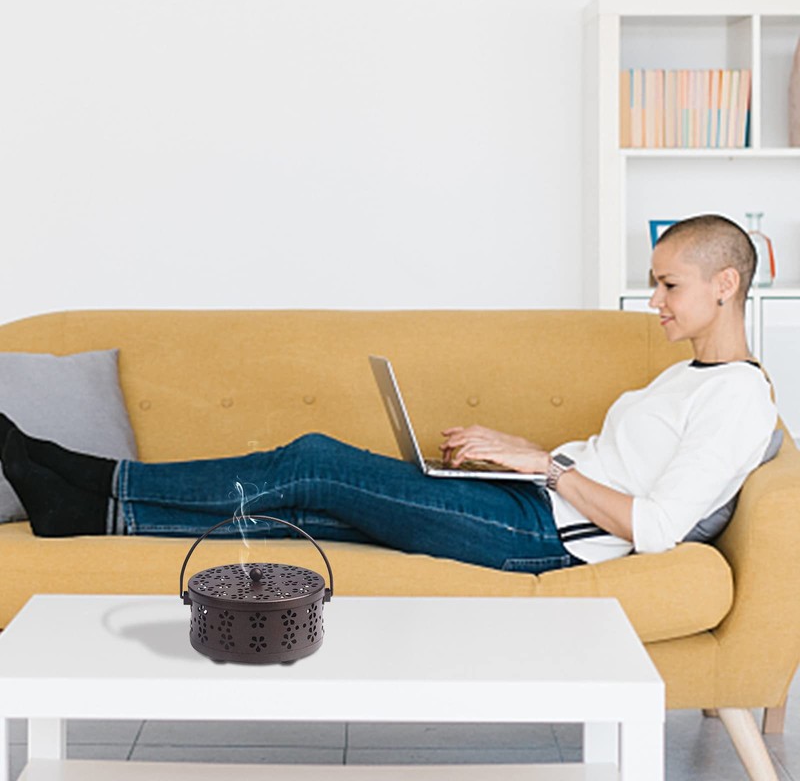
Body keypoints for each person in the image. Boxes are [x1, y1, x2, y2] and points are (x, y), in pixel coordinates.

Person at [0, 214, 778, 573]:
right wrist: (513, 454)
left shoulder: (739, 399)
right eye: (654, 285)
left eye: (669, 286)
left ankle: (94, 475)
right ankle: (86, 512)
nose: (656, 302)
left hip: (544, 537)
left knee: (314, 462)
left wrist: (544, 465)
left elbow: (657, 529)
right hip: (529, 503)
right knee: (310, 513)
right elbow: (615, 470)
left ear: (724, 284)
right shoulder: (684, 377)